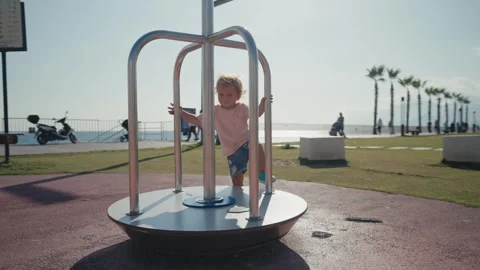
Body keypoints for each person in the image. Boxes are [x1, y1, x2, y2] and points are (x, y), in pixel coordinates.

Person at [168, 74, 275, 187]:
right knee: (237, 180)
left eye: (229, 95)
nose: (225, 98)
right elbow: (197, 120)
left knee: (257, 146)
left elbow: (256, 114)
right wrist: (181, 113)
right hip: (232, 150)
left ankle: (262, 173)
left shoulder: (242, 108)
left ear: (238, 96)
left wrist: (263, 105)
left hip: (245, 141)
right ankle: (238, 193)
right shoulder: (214, 111)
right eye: (221, 94)